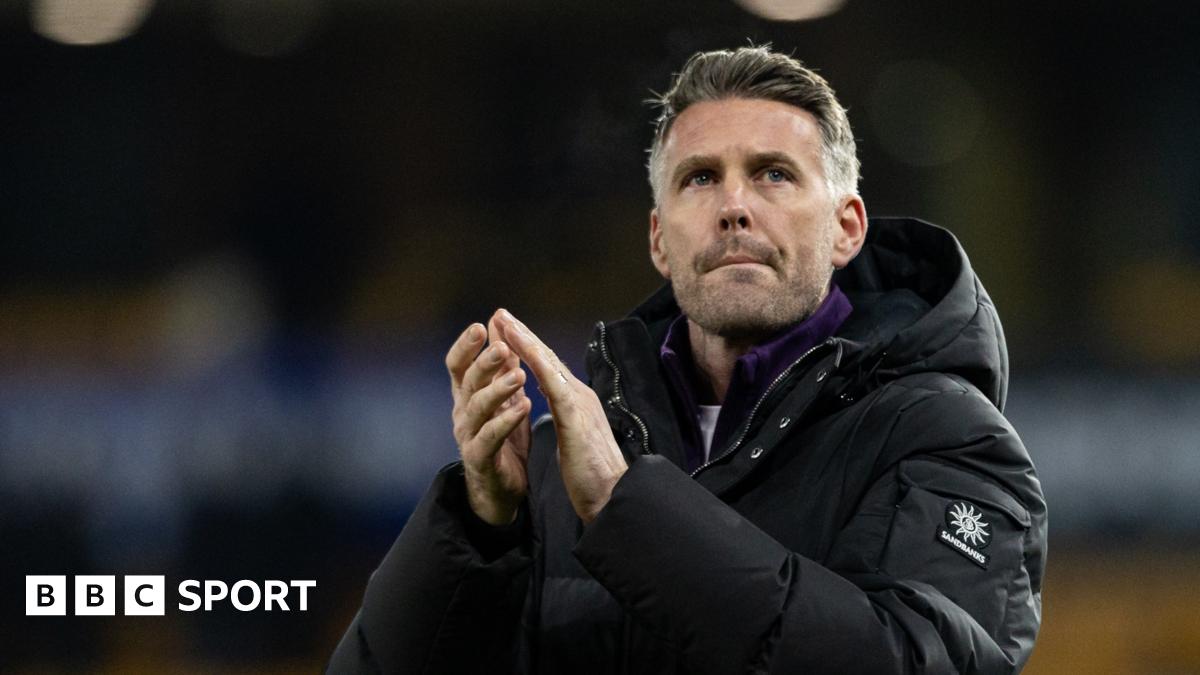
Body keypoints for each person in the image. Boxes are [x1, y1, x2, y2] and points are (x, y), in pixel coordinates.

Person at [328, 45, 1047, 675]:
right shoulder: (552, 470)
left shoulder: (948, 440)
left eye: (773, 174)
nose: (734, 205)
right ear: (658, 241)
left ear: (846, 227)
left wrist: (627, 510)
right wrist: (478, 530)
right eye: (700, 178)